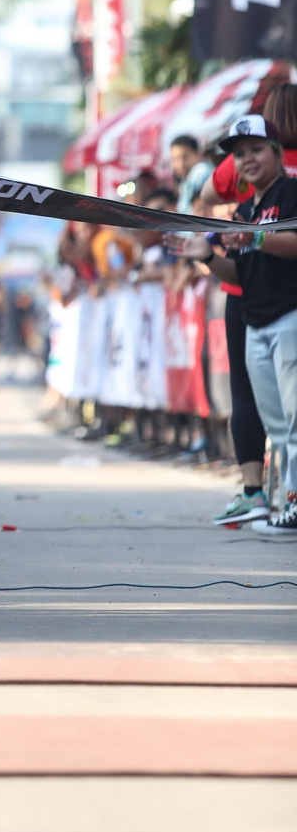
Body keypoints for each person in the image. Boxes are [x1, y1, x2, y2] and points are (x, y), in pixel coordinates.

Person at [172, 115, 297, 536]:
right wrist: (206, 257)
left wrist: (256, 237)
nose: (248, 160)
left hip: (289, 317)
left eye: (256, 149)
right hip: (255, 323)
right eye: (240, 154)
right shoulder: (244, 210)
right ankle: (290, 501)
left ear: (276, 152)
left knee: (294, 418)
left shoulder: (291, 191)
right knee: (276, 422)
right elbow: (239, 274)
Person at [169, 134, 213, 215]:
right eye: (175, 159)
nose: (180, 164)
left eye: (185, 157)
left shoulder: (200, 171)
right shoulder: (186, 178)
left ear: (198, 155)